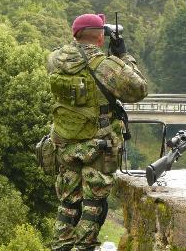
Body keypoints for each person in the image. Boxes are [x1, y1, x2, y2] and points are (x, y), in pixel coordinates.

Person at [47, 13, 148, 251]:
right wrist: (123, 55)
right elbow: (138, 89)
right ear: (101, 38)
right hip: (101, 147)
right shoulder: (105, 66)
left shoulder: (54, 60)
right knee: (94, 203)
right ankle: (85, 247)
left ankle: (60, 246)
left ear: (75, 34)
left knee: (68, 203)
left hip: (65, 143)